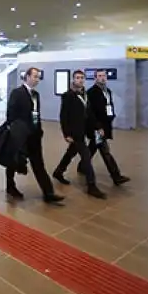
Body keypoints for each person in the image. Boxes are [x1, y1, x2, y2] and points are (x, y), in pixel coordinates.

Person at [5, 68, 64, 204]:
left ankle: (48, 193)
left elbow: (36, 114)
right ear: (27, 77)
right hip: (21, 135)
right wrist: (15, 132)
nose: (37, 79)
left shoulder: (36, 95)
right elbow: (11, 114)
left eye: (38, 77)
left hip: (35, 135)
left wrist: (39, 130)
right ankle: (10, 186)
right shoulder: (17, 93)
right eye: (35, 76)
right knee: (14, 162)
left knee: (39, 164)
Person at [54, 70, 107, 199]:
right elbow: (63, 116)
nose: (80, 80)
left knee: (71, 152)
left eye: (82, 78)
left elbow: (90, 113)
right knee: (86, 156)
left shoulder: (85, 95)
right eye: (77, 78)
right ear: (73, 79)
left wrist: (98, 126)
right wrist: (66, 134)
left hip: (84, 130)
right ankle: (91, 186)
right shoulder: (68, 95)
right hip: (74, 132)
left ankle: (58, 171)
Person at [86, 69, 130, 186]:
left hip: (106, 125)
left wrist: (112, 115)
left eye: (104, 75)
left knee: (92, 148)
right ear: (95, 78)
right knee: (105, 152)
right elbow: (90, 112)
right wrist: (98, 127)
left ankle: (82, 166)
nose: (102, 78)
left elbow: (109, 105)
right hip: (98, 128)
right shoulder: (91, 92)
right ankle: (116, 176)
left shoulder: (107, 91)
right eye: (99, 76)